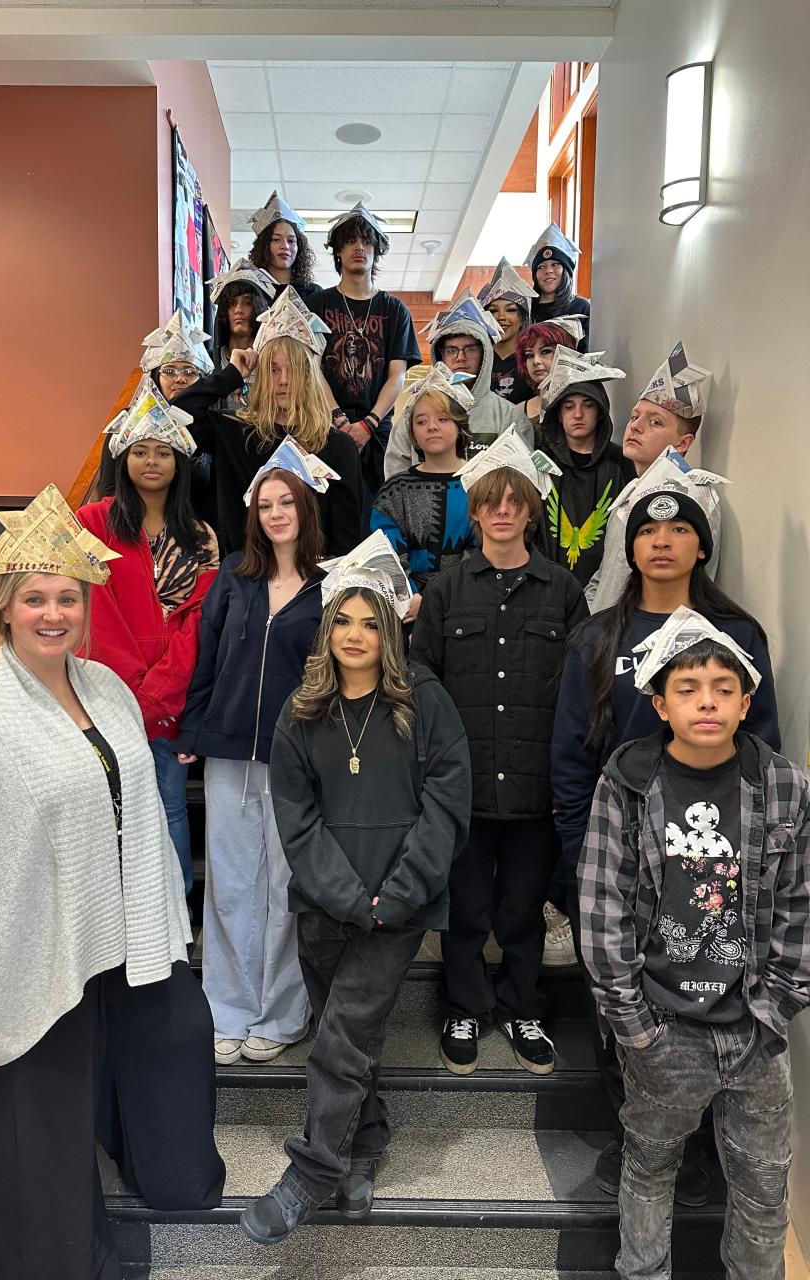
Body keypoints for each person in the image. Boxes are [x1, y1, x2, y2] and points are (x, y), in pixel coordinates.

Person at [0, 485, 224, 1280]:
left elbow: (145, 824)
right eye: (34, 599)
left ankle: (132, 1217)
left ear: (85, 608)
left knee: (177, 1069)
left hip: (123, 949)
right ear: (5, 608)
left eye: (66, 598)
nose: (52, 613)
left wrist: (168, 934)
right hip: (25, 963)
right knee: (40, 1158)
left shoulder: (107, 690)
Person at [552, 472, 781, 1201]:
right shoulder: (597, 636)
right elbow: (568, 760)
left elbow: (763, 750)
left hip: (709, 864)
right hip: (619, 862)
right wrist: (574, 858)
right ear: (631, 545)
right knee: (621, 1001)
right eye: (648, 531)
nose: (661, 540)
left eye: (679, 529)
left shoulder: (738, 637)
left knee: (707, 999)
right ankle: (636, 1140)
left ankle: (702, 1153)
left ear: (701, 546)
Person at [240, 531, 471, 1244]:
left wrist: (394, 895)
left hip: (398, 907)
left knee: (340, 1038)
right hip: (324, 904)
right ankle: (363, 1148)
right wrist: (344, 895)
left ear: (392, 629)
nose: (355, 634)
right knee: (352, 1034)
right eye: (343, 619)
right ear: (326, 626)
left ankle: (310, 1172)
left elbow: (447, 805)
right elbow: (295, 819)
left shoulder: (426, 700)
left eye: (371, 621)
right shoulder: (301, 710)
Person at [578, 608, 809, 1280]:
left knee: (765, 1189)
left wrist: (777, 1005)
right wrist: (634, 1025)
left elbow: (799, 900)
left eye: (722, 687)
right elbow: (600, 907)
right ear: (658, 701)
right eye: (687, 687)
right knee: (649, 1171)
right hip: (663, 1027)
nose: (706, 700)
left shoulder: (784, 786)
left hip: (756, 1033)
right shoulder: (627, 783)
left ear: (745, 700)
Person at [412, 429, 588, 1076]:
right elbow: (420, 674)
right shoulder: (447, 591)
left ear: (530, 510)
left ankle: (523, 1007)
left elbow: (578, 690)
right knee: (464, 910)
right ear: (479, 510)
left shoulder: (563, 592)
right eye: (493, 501)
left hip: (535, 786)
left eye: (516, 500)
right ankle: (465, 1004)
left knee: (521, 911)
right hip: (465, 786)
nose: (504, 510)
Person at [176, 448, 332, 1065]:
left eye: (286, 501)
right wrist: (193, 727)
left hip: (300, 756)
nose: (275, 513)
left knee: (285, 884)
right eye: (265, 505)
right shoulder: (234, 577)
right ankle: (227, 1009)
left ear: (305, 505)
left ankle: (281, 1013)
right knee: (231, 884)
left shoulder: (332, 583)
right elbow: (207, 656)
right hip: (229, 752)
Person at [77, 391, 219, 895]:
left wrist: (159, 694)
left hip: (170, 703)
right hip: (106, 698)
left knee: (171, 806)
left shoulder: (201, 536)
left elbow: (200, 625)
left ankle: (174, 915)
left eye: (163, 451)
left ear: (179, 461)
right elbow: (94, 611)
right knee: (107, 809)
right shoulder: (93, 523)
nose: (151, 460)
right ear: (123, 457)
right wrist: (129, 693)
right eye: (140, 450)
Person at [172, 288, 363, 556]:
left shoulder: (338, 447)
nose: (283, 380)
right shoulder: (234, 434)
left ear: (309, 377)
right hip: (244, 583)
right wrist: (231, 375)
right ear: (260, 374)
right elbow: (175, 417)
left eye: (293, 370)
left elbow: (347, 540)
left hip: (311, 585)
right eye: (273, 369)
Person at [588, 342, 717, 612]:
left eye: (655, 422)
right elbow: (606, 576)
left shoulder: (692, 496)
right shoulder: (632, 489)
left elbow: (687, 597)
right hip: (603, 638)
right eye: (635, 416)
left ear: (683, 443)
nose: (635, 426)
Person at [309, 202, 422, 499]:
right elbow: (311, 369)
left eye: (366, 241)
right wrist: (340, 420)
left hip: (378, 431)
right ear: (338, 251)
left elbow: (397, 377)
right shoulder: (318, 306)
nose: (359, 247)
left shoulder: (395, 309)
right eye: (350, 241)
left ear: (377, 249)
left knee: (377, 513)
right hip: (326, 427)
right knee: (327, 513)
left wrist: (369, 424)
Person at [384, 287, 534, 478]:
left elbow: (523, 481)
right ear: (441, 356)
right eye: (451, 350)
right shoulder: (415, 415)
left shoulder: (510, 418)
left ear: (485, 354)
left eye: (470, 349)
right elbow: (396, 474)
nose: (460, 358)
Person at [371, 363, 477, 624]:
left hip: (469, 610)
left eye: (442, 419)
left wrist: (437, 601)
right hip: (408, 613)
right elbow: (385, 551)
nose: (432, 427)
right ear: (412, 434)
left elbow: (485, 550)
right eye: (421, 421)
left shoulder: (481, 483)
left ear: (460, 425)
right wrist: (411, 596)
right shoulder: (395, 491)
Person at [536, 346, 635, 591]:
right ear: (558, 414)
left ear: (600, 412)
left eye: (588, 405)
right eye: (568, 406)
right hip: (546, 587)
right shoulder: (539, 463)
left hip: (605, 590)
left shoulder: (621, 463)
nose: (578, 414)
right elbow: (529, 528)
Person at [98, 310, 216, 503]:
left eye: (189, 371)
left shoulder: (214, 426)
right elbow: (109, 487)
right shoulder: (129, 421)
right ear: (156, 377)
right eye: (169, 371)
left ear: (202, 379)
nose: (180, 378)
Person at [207, 257, 279, 414]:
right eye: (231, 303)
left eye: (247, 302)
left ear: (259, 308)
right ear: (224, 311)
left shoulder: (274, 361)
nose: (238, 310)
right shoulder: (208, 362)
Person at [477, 257, 537, 404]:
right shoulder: (476, 356)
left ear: (522, 316)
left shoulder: (534, 357)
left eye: (510, 310)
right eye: (493, 311)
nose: (501, 317)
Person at [523, 223, 591, 350]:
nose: (548, 270)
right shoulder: (525, 308)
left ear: (566, 271)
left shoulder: (581, 308)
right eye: (541, 267)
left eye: (555, 264)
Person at [248, 191, 321, 302]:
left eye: (291, 241)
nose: (285, 246)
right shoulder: (250, 291)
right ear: (264, 246)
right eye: (276, 240)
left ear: (299, 248)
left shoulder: (313, 293)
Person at [513, 318, 584, 422]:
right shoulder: (517, 412)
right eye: (529, 355)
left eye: (545, 352)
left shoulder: (583, 405)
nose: (536, 361)